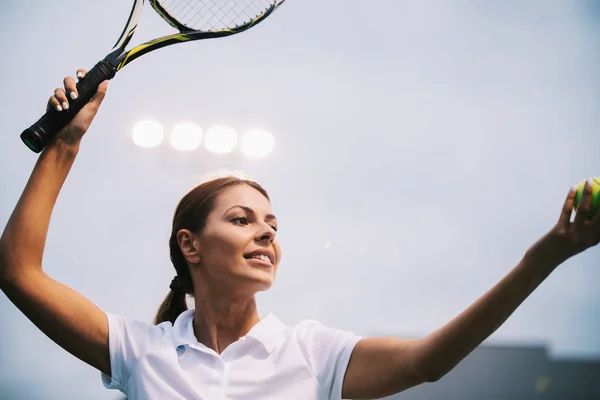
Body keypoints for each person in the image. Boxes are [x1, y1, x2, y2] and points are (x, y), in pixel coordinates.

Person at [0, 71, 598, 400]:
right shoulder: (141, 352)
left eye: (272, 224)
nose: (266, 232)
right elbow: (17, 272)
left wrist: (543, 258)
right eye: (241, 219)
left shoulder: (313, 355)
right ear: (190, 246)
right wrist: (67, 140)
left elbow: (429, 362)